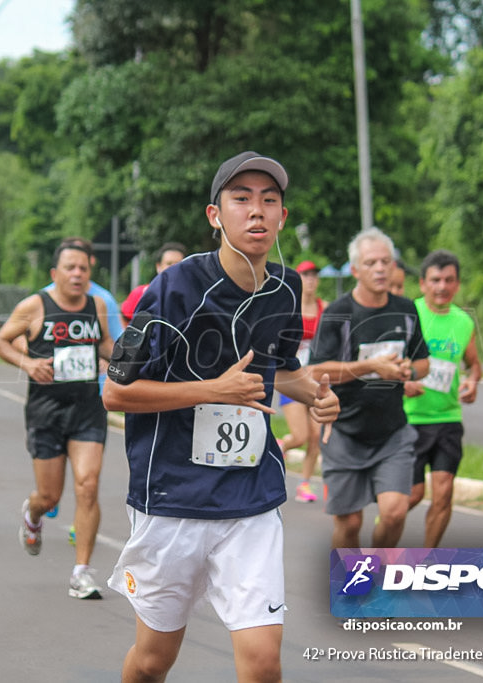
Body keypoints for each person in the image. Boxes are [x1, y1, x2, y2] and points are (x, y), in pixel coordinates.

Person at [102, 151, 339, 682]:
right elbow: (116, 394)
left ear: (281, 216)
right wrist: (213, 390)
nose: (257, 212)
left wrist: (315, 395)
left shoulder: (285, 289)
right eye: (242, 199)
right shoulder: (174, 288)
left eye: (269, 201)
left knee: (262, 662)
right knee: (151, 662)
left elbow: (279, 370)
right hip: (173, 498)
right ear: (215, 216)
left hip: (250, 497)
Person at [0, 240, 115, 599]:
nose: (78, 275)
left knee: (88, 485)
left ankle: (82, 572)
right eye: (70, 268)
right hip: (46, 411)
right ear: (54, 274)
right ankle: (33, 514)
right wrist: (28, 364)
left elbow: (105, 342)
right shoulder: (34, 306)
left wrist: (121, 359)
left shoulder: (98, 305)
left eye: (84, 269)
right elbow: (0, 341)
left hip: (87, 409)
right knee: (49, 495)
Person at [309, 227, 430, 549]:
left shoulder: (406, 309)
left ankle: (373, 569)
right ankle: (352, 583)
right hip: (344, 433)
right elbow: (317, 370)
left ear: (393, 266)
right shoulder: (338, 313)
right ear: (356, 269)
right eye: (371, 262)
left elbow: (423, 363)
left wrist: (408, 370)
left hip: (391, 432)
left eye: (385, 261)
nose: (380, 268)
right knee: (349, 525)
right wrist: (372, 366)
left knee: (394, 513)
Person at [402, 249, 482, 547]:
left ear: (457, 284)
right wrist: (403, 384)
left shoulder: (463, 322)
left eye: (449, 280)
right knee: (412, 494)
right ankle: (386, 525)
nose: (442, 287)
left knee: (444, 492)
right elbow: (385, 361)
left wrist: (473, 382)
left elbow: (473, 364)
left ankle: (426, 559)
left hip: (448, 418)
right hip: (410, 418)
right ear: (423, 283)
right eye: (436, 280)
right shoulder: (409, 314)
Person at [278, 259, 326, 504]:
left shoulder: (324, 308)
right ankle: (280, 446)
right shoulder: (289, 308)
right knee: (300, 436)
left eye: (314, 276)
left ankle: (305, 484)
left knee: (316, 436)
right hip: (293, 380)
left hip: (315, 381)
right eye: (306, 276)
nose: (310, 280)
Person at [119, 242, 187, 324]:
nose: (173, 268)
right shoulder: (141, 293)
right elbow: (124, 319)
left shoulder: (192, 296)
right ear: (158, 266)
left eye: (178, 264)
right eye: (169, 263)